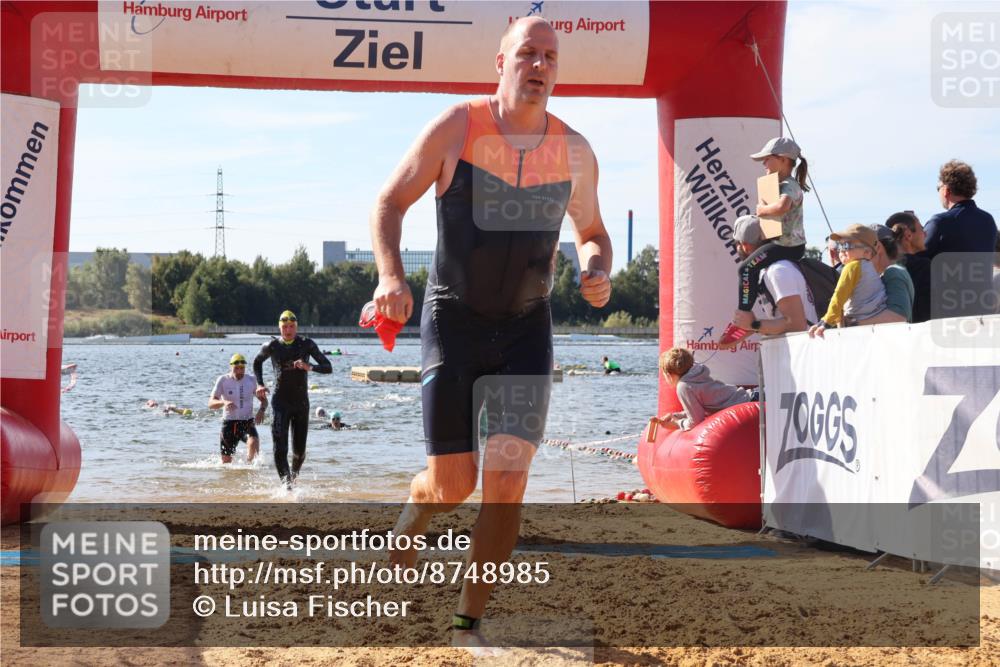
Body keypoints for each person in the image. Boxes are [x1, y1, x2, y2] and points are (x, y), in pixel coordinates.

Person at [368, 16, 612, 650]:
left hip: (528, 327)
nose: (539, 66)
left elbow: (593, 232)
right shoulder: (458, 127)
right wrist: (390, 277)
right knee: (454, 485)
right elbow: (390, 202)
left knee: (507, 481)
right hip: (454, 321)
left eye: (550, 57)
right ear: (499, 62)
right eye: (526, 53)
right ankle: (416, 512)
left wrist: (595, 268)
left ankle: (466, 624)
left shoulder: (576, 151)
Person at [726, 137, 810, 340]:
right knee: (750, 268)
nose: (763, 164)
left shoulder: (789, 185)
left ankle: (745, 318)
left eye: (767, 159)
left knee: (746, 268)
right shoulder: (780, 184)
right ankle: (748, 315)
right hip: (783, 243)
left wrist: (761, 210)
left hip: (787, 246)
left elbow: (782, 207)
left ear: (782, 160)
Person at [253, 310, 332, 488]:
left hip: (300, 404)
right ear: (279, 327)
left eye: (291, 327)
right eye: (284, 327)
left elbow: (328, 367)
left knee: (299, 453)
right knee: (280, 449)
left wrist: (309, 367)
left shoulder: (306, 344)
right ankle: (287, 486)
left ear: (296, 327)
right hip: (280, 403)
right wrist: (259, 383)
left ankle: (294, 476)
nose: (288, 331)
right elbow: (257, 362)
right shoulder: (272, 346)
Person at [725, 215, 818, 343]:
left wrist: (753, 325)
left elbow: (796, 325)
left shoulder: (778, 271)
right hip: (793, 354)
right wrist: (747, 327)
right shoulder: (770, 270)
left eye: (736, 244)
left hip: (803, 354)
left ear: (744, 245)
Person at [809, 224, 888, 337]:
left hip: (860, 323)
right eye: (840, 246)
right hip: (878, 322)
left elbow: (839, 296)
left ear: (867, 252)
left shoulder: (852, 267)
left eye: (847, 245)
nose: (841, 251)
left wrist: (826, 321)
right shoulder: (870, 268)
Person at [652, 348, 755, 431]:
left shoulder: (683, 386)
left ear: (669, 375)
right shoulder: (695, 375)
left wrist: (677, 424)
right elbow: (702, 408)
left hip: (750, 403)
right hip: (752, 397)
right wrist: (676, 416)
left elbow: (696, 421)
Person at [922, 160, 997, 259]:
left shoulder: (940, 222)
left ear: (946, 190)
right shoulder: (988, 220)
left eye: (938, 188)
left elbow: (915, 258)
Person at [209, 353, 267, 464]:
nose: (240, 371)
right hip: (229, 425)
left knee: (253, 442)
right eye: (237, 368)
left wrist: (262, 410)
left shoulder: (251, 380)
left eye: (242, 368)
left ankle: (250, 471)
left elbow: (264, 401)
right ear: (231, 367)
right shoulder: (223, 380)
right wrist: (223, 402)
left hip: (247, 422)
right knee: (226, 465)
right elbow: (211, 403)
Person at [853, 224, 914, 325]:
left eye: (861, 250)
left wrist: (853, 324)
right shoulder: (890, 272)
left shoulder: (893, 272)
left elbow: (898, 316)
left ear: (878, 248)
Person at [885, 211, 931, 323]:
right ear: (908, 235)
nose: (925, 234)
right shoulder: (925, 267)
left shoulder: (882, 268)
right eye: (921, 229)